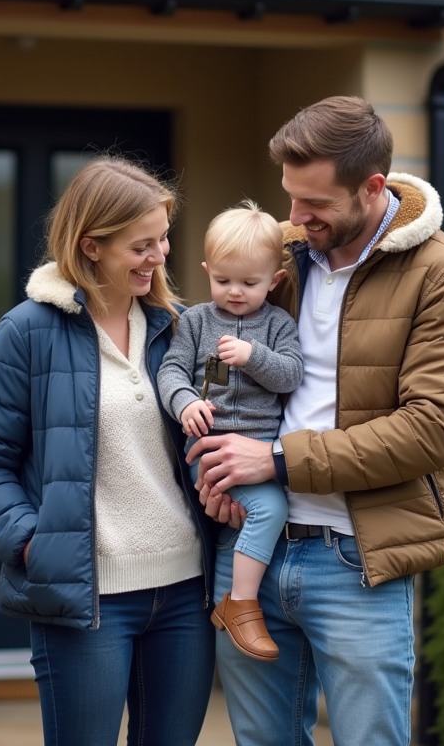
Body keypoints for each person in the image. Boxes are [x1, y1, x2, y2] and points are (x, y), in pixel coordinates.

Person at [188, 96, 444, 746]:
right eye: (289, 198)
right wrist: (212, 461)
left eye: (314, 205)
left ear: (373, 187)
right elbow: (211, 346)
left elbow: (429, 431)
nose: (294, 218)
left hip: (357, 559)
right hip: (252, 551)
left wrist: (273, 461)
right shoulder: (285, 254)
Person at [0, 157, 217, 746]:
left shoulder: (174, 329)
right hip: (87, 598)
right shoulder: (27, 331)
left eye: (164, 240)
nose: (160, 257)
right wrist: (31, 541)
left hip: (183, 592)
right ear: (91, 245)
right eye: (142, 245)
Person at [156, 202, 303, 662]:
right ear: (207, 272)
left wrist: (252, 355)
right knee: (272, 508)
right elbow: (171, 371)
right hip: (210, 445)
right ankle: (241, 604)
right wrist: (186, 403)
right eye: (222, 281)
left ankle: (238, 601)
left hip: (261, 450)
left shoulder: (278, 324)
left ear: (274, 280)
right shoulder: (196, 321)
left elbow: (292, 375)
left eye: (249, 283)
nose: (234, 293)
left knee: (265, 506)